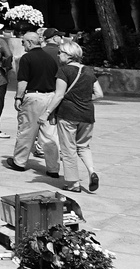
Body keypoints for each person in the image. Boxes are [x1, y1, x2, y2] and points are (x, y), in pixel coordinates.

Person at [44, 39, 103, 193]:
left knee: (68, 149)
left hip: (68, 115)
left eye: (60, 52)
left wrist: (47, 113)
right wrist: (84, 99)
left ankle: (73, 184)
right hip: (87, 114)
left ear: (68, 55)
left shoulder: (64, 71)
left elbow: (58, 95)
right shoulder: (88, 70)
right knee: (84, 146)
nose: (58, 56)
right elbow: (99, 94)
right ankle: (91, 171)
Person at [4, 30, 61, 176]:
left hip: (34, 97)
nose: (22, 45)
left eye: (23, 42)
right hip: (50, 97)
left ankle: (19, 162)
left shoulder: (26, 58)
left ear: (29, 42)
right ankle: (53, 168)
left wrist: (18, 97)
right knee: (49, 135)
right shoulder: (49, 58)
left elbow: (23, 81)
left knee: (27, 131)